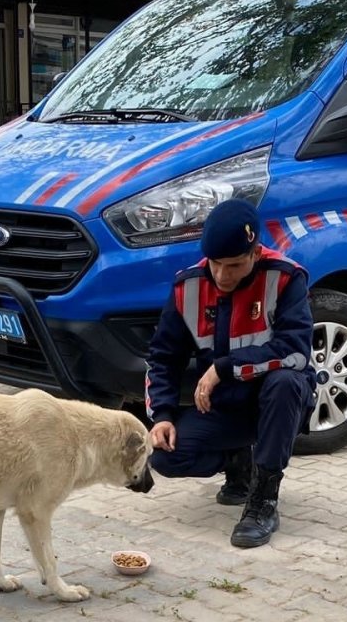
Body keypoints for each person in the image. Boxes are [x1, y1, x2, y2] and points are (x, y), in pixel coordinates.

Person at [145, 199, 316, 549]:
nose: (223, 275)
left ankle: (263, 500)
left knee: (286, 382)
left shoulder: (285, 278)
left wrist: (224, 367)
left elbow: (295, 351)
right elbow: (162, 358)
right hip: (224, 408)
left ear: (256, 253)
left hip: (277, 404)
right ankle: (238, 461)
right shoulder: (187, 287)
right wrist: (161, 415)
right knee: (165, 456)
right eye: (216, 264)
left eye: (235, 265)